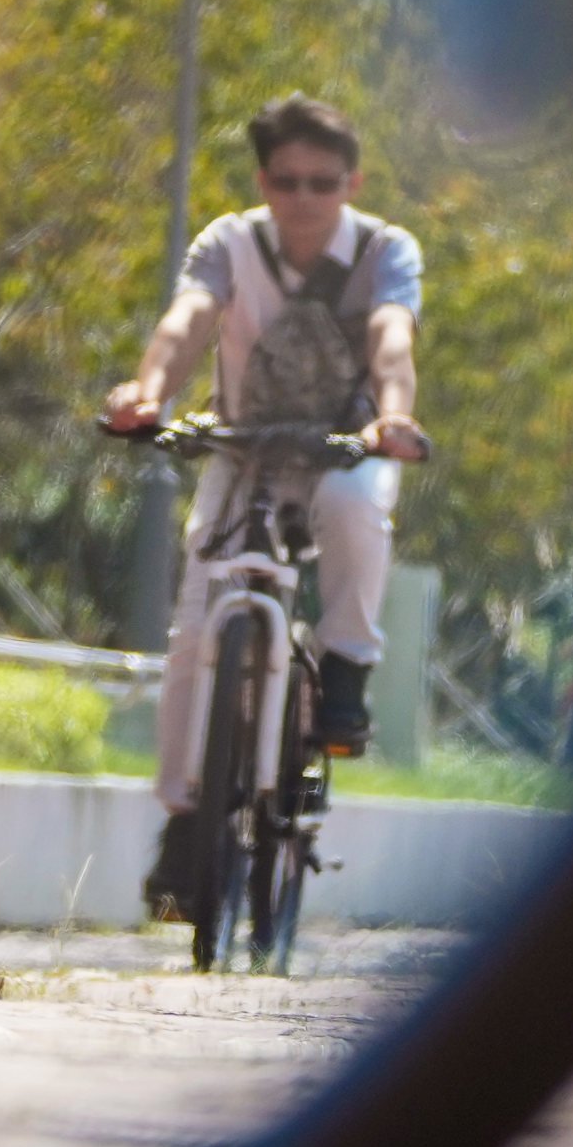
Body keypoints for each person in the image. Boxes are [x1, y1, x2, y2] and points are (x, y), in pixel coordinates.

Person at [102, 94, 427, 918]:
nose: (304, 197)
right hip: (241, 447)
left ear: (350, 181)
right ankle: (186, 820)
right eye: (286, 180)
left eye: (323, 180)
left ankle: (347, 667)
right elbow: (188, 320)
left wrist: (392, 415)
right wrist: (145, 392)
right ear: (263, 180)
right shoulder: (229, 242)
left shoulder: (386, 250)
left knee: (358, 507)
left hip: (342, 449)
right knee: (190, 634)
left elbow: (392, 334)